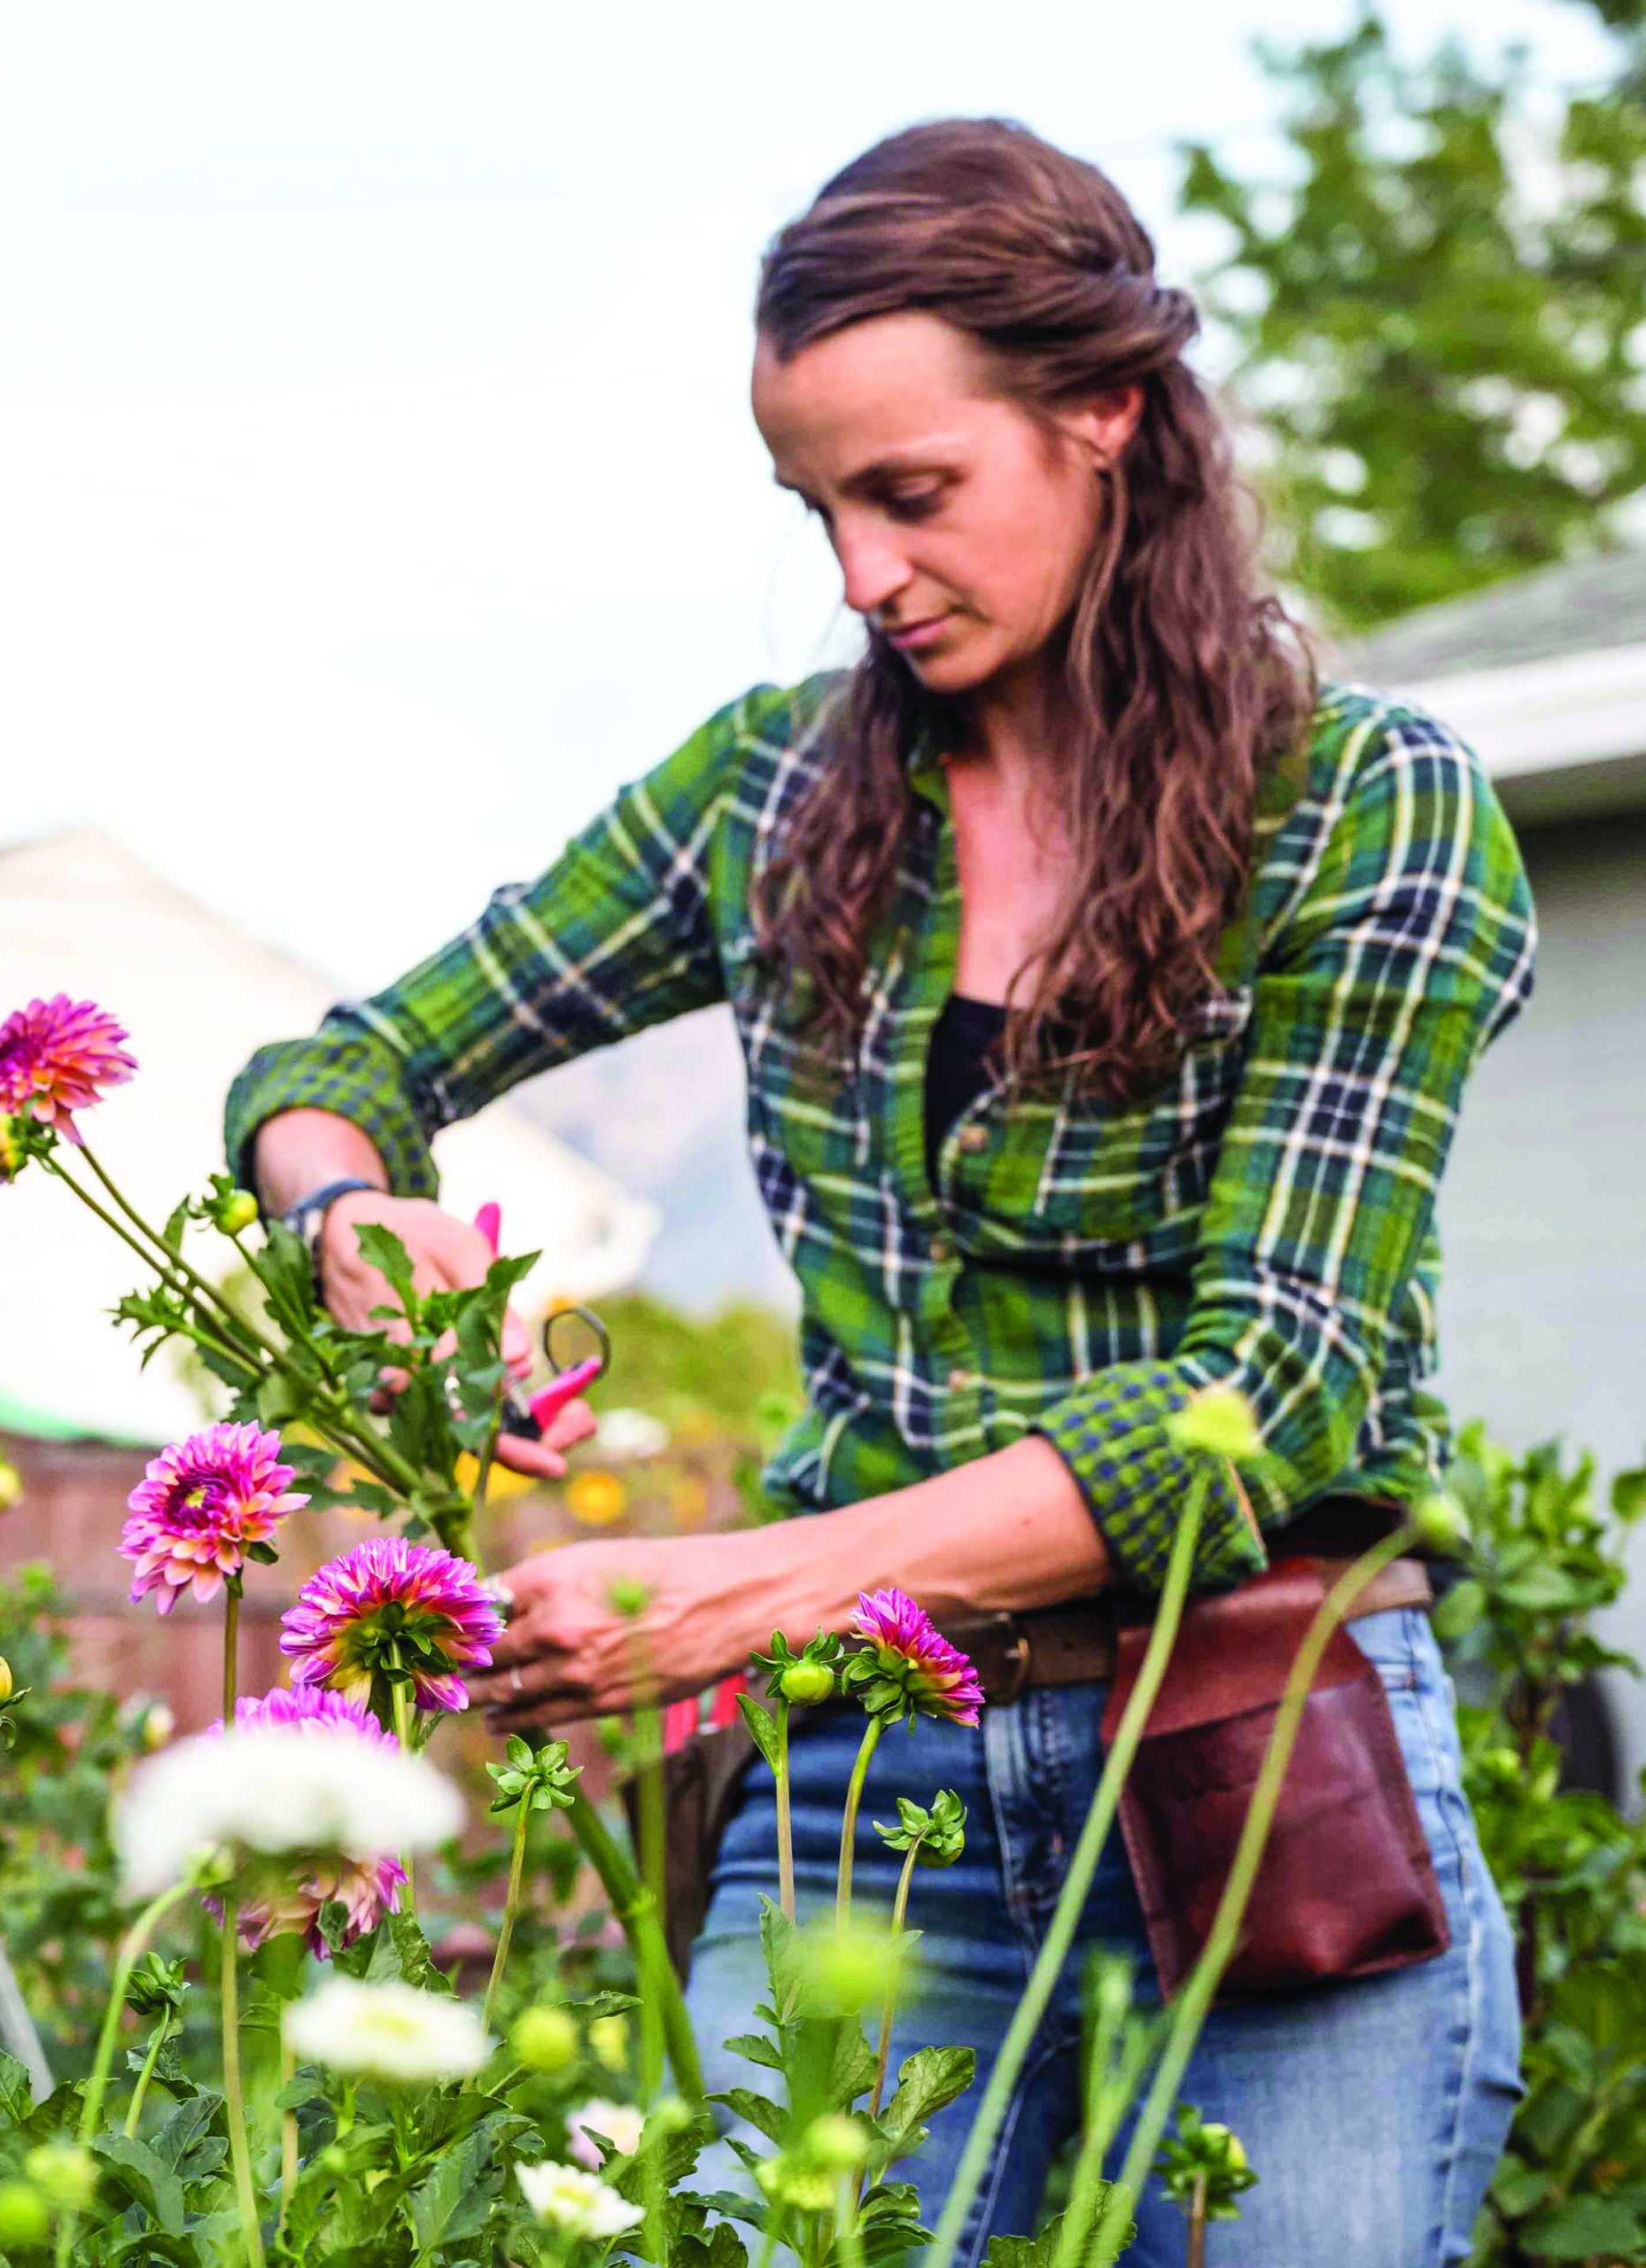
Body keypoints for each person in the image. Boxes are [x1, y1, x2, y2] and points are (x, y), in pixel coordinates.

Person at [227, 119, 1530, 2266]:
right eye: (814, 505)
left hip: (1256, 1763)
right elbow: (334, 1065)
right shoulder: (767, 797)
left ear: (1104, 413)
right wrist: (357, 1223)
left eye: (910, 492)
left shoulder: (1363, 811)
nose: (857, 572)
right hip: (860, 1810)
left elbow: (1271, 1387)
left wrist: (761, 1583)